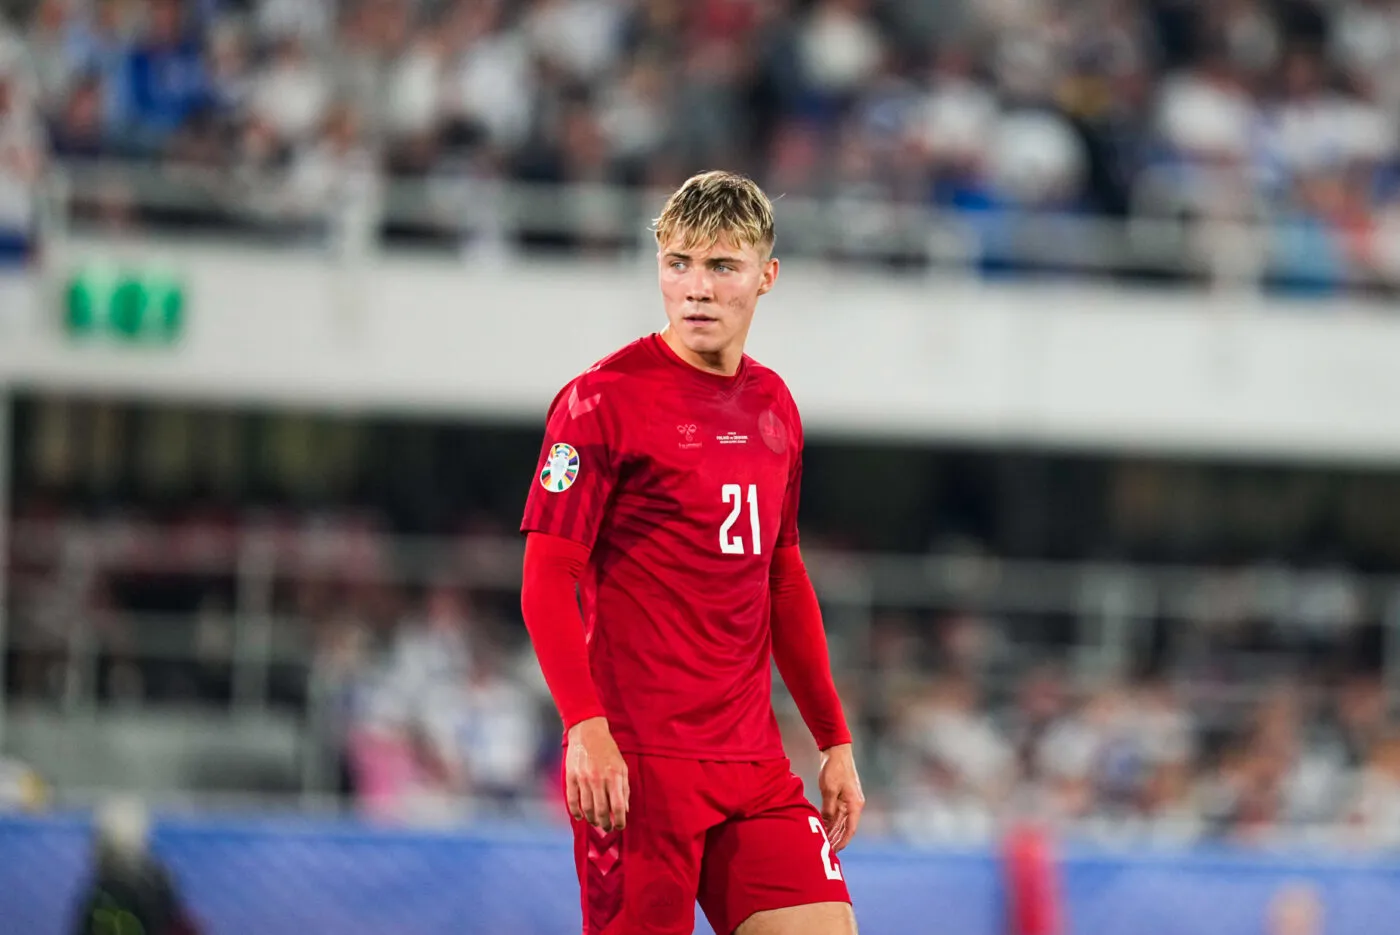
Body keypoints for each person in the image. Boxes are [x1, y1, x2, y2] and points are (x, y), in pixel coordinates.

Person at [520, 170, 863, 935]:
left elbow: (783, 576)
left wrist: (833, 737)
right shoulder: (601, 399)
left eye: (721, 266)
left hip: (752, 762)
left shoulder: (775, 404)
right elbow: (547, 578)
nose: (696, 287)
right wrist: (585, 725)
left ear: (765, 276)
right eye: (679, 262)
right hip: (638, 765)